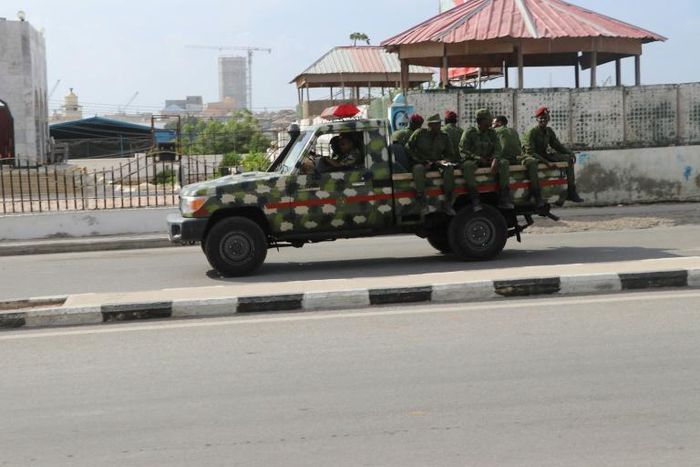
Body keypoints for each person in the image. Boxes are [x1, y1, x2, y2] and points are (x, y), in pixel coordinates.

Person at [522, 106, 584, 204]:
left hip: (543, 154)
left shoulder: (549, 131)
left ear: (548, 119)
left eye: (545, 118)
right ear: (537, 119)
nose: (543, 120)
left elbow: (556, 145)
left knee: (568, 159)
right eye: (541, 118)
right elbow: (530, 152)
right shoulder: (531, 132)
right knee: (533, 162)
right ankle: (536, 195)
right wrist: (547, 163)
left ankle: (571, 192)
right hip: (532, 156)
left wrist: (570, 153)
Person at [459, 108, 512, 211]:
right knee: (467, 166)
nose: (491, 121)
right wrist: (477, 158)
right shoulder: (470, 132)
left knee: (504, 163)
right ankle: (475, 199)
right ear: (482, 120)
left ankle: (504, 198)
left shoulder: (492, 133)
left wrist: (495, 159)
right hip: (474, 161)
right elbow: (463, 150)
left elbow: (498, 148)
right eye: (488, 119)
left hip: (489, 160)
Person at [406, 114, 458, 214]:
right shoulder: (419, 133)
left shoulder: (444, 136)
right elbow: (408, 148)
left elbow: (450, 154)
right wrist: (420, 160)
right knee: (418, 169)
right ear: (429, 125)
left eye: (439, 124)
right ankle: (423, 202)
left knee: (449, 168)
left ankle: (448, 202)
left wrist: (445, 160)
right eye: (436, 124)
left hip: (437, 162)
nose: (439, 126)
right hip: (422, 162)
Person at [492, 115, 544, 209]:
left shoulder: (495, 131)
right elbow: (519, 146)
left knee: (503, 164)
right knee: (532, 162)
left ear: (499, 123)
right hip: (516, 158)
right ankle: (537, 197)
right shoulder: (513, 131)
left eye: (493, 123)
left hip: (504, 159)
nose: (492, 125)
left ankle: (504, 198)